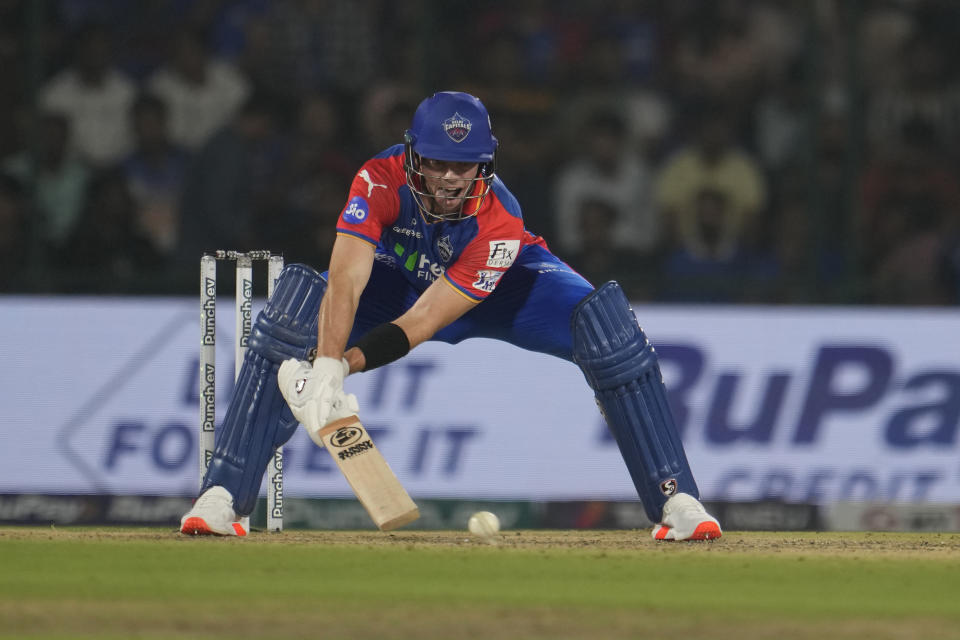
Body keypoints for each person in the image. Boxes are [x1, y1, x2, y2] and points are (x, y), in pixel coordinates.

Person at [180, 91, 722, 542]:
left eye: (461, 165)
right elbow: (345, 277)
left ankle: (679, 503)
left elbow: (426, 322)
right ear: (413, 154)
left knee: (608, 328)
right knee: (297, 307)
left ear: (484, 165)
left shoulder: (500, 222)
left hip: (505, 289)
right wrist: (322, 364)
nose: (446, 178)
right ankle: (223, 496)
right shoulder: (378, 178)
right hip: (399, 278)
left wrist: (344, 366)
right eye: (435, 161)